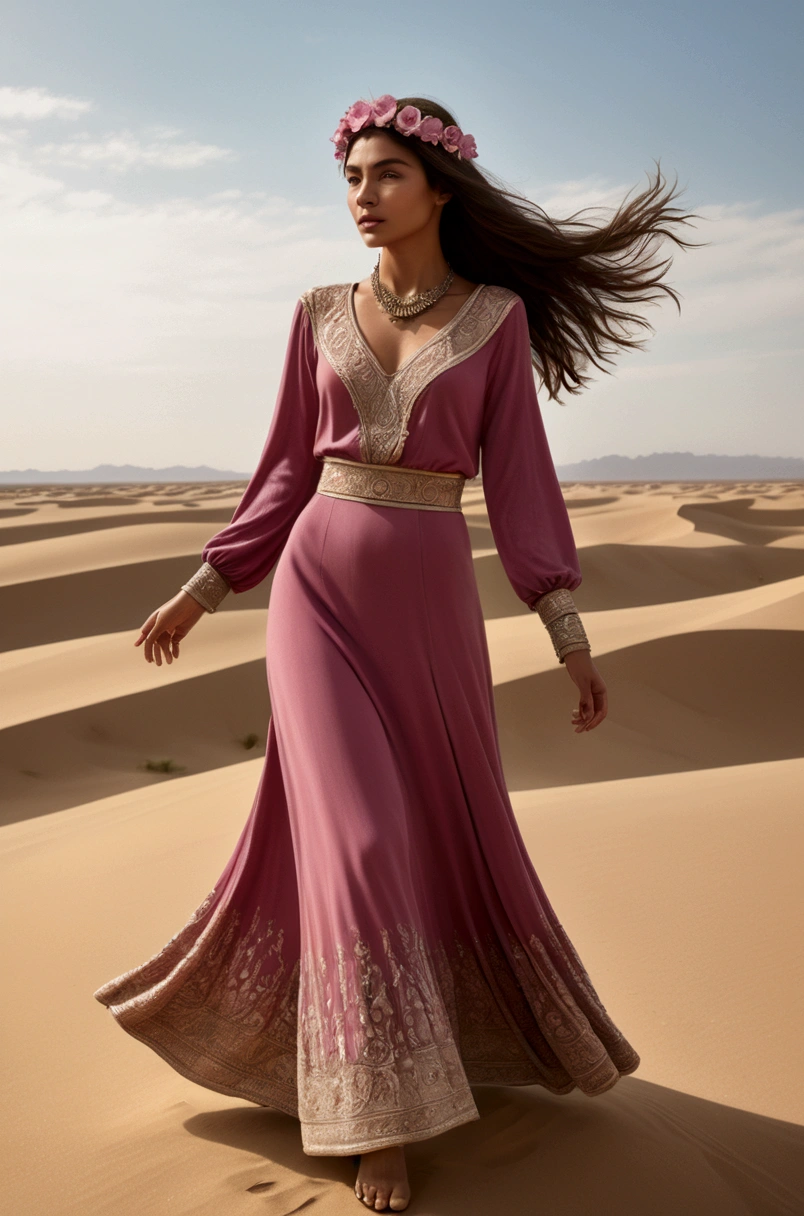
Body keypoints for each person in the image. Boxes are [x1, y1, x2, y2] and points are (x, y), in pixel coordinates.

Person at [94, 94, 697, 1212]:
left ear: (439, 188)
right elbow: (282, 470)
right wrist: (202, 586)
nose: (361, 200)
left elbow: (521, 486)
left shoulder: (500, 321)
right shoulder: (318, 310)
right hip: (314, 598)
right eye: (351, 181)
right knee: (362, 842)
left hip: (428, 615)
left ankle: (424, 1051)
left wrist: (565, 633)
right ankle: (382, 1120)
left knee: (422, 837)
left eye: (383, 177)